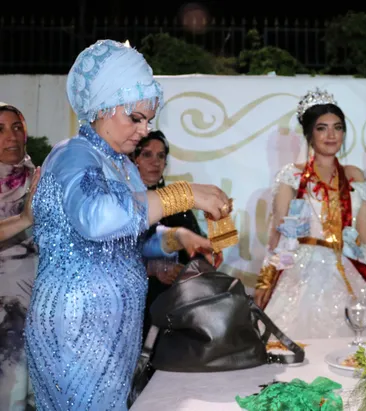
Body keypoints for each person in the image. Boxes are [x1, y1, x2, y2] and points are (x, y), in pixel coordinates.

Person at [24, 39, 231, 410]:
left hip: (116, 330)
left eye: (148, 120)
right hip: (75, 328)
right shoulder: (73, 154)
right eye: (135, 118)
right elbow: (96, 219)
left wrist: (177, 237)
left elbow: (126, 245)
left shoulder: (120, 166)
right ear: (103, 107)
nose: (143, 129)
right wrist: (182, 194)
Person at [253, 88, 366, 340]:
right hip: (304, 267)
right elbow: (278, 231)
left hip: (352, 259)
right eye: (322, 128)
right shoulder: (292, 176)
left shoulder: (354, 175)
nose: (331, 135)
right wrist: (265, 279)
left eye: (338, 127)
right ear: (309, 134)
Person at [131, 130, 222, 340]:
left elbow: (198, 259)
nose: (155, 162)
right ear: (134, 159)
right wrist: (154, 269)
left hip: (173, 309)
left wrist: (184, 272)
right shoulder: (123, 205)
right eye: (147, 154)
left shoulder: (178, 207)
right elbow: (114, 255)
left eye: (161, 156)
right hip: (132, 303)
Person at [0, 103, 40, 410]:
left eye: (16, 127)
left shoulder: (40, 179)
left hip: (44, 311)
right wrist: (25, 218)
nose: (11, 136)